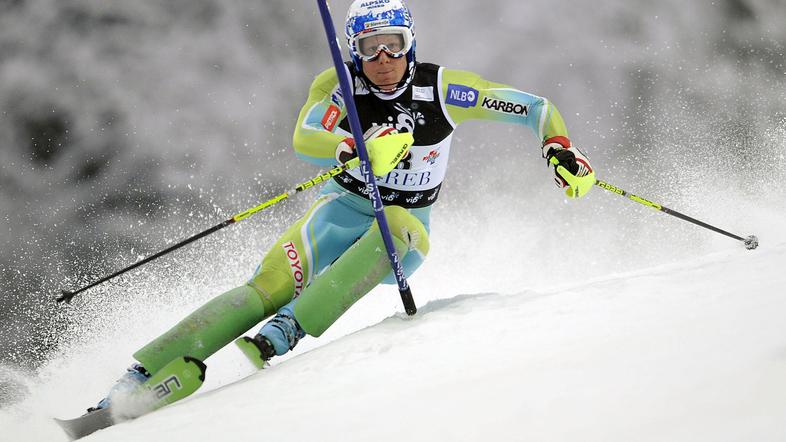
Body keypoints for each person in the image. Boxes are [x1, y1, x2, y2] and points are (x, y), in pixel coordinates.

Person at [90, 0, 595, 410]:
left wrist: (558, 148)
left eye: (392, 46)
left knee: (394, 226)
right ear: (353, 52)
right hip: (341, 209)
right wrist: (352, 146)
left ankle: (285, 332)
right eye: (369, 50)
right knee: (261, 290)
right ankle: (139, 374)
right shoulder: (339, 86)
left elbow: (535, 108)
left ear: (409, 42)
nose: (382, 60)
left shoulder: (443, 89)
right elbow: (303, 135)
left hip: (407, 225)